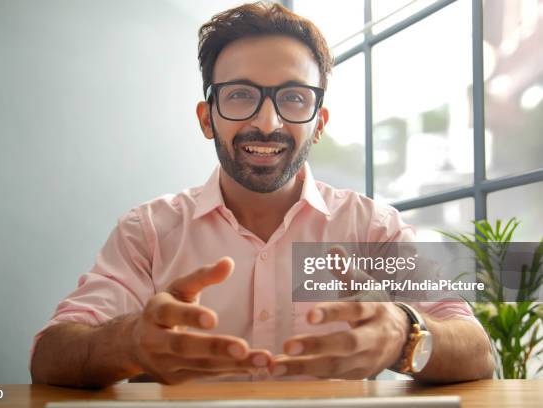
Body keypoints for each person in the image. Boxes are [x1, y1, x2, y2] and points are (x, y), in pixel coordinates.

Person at [30, 2, 494, 388]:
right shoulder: (148, 231)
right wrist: (130, 341)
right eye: (239, 95)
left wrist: (401, 334)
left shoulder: (372, 228)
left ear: (319, 121)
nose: (268, 123)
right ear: (207, 117)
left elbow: (475, 351)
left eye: (293, 98)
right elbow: (51, 355)